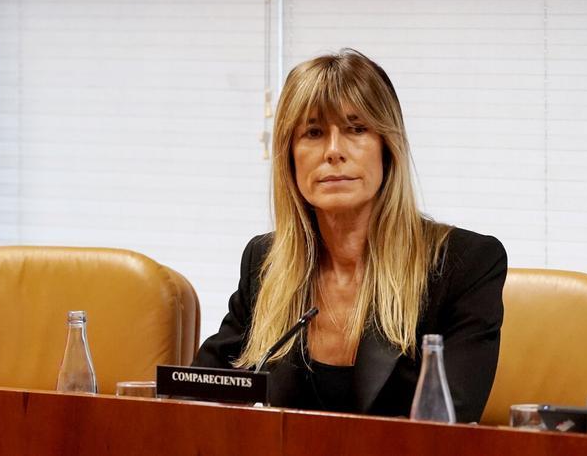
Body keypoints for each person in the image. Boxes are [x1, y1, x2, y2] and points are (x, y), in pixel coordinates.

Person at [193, 49, 506, 423]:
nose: (334, 151)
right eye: (313, 132)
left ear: (387, 148)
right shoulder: (265, 262)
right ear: (290, 157)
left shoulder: (464, 265)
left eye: (356, 129)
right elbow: (197, 393)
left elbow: (446, 426)